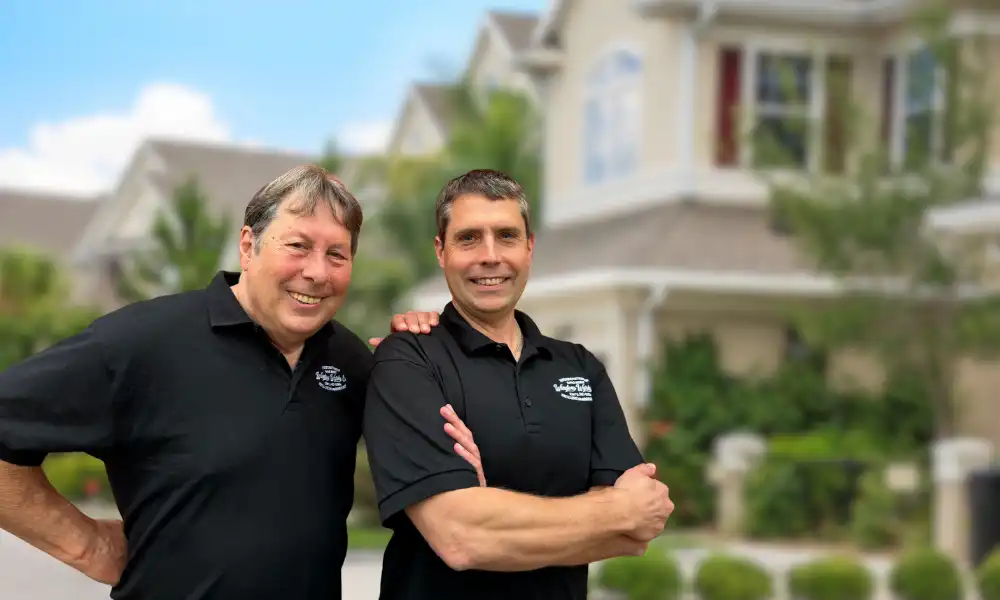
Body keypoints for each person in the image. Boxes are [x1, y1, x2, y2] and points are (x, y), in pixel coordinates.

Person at [0, 164, 476, 600]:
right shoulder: (141, 342)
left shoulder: (351, 361)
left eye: (337, 254)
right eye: (298, 246)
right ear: (248, 246)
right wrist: (86, 545)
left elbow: (424, 465)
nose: (316, 272)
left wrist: (421, 349)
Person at [362, 169, 674, 600]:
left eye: (507, 236)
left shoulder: (581, 367)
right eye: (469, 238)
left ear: (529, 247)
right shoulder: (408, 360)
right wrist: (613, 510)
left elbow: (633, 534)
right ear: (441, 251)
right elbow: (461, 538)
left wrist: (488, 508)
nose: (490, 256)